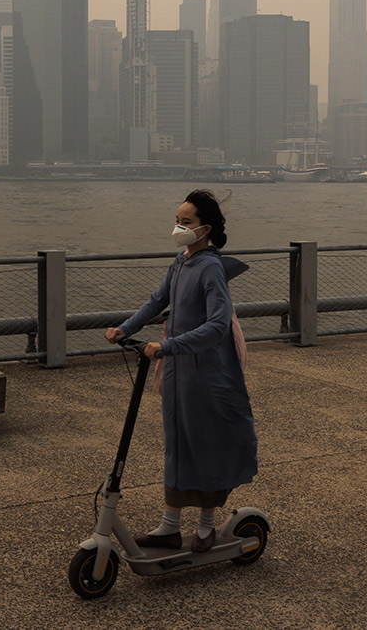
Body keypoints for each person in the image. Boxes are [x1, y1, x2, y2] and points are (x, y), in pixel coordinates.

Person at [105, 188, 258, 553]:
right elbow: (158, 301)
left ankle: (206, 525)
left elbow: (219, 325)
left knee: (205, 444)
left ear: (204, 228)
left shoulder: (210, 268)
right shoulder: (180, 262)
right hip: (178, 372)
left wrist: (168, 346)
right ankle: (169, 526)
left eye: (185, 222)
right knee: (177, 443)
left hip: (207, 373)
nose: (178, 227)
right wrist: (125, 328)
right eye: (176, 220)